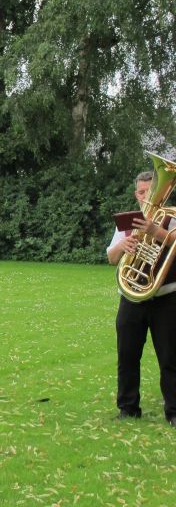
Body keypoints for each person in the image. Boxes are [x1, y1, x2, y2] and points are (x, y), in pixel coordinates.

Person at [107, 170, 176, 427]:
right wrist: (121, 247)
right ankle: (128, 408)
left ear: (162, 190)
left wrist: (156, 231)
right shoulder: (128, 221)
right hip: (132, 297)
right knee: (127, 356)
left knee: (170, 358)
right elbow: (111, 257)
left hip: (166, 298)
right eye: (141, 192)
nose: (145, 196)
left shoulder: (172, 217)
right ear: (136, 194)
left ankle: (174, 411)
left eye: (150, 190)